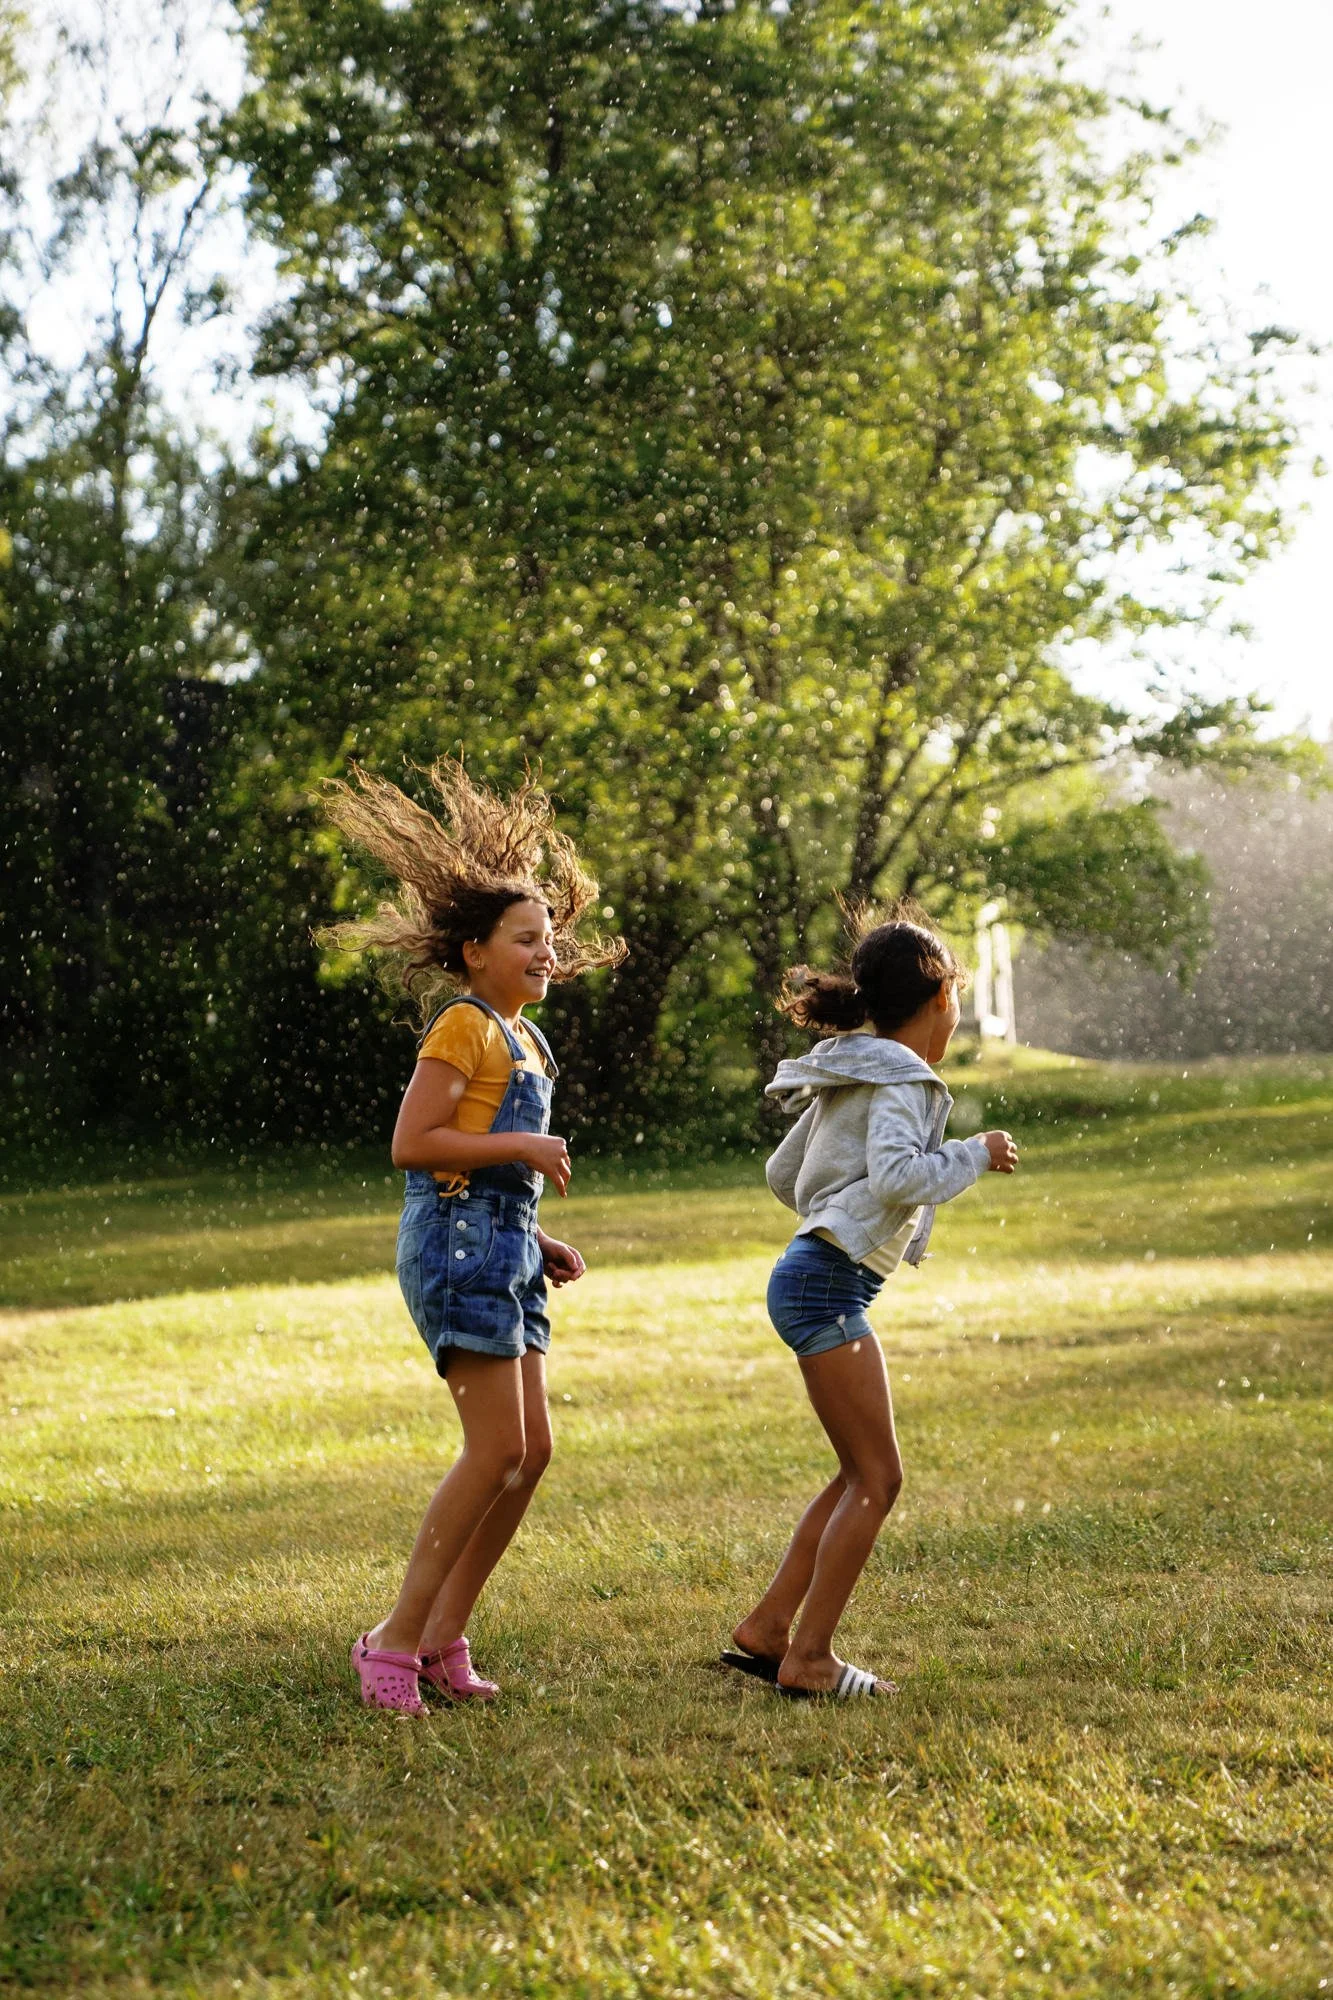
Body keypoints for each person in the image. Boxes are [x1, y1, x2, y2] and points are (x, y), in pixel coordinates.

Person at [318, 762, 624, 1713]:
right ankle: (392, 1643)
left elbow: (481, 1171)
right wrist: (525, 1147)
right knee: (492, 1452)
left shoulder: (526, 1039)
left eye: (548, 938)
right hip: (454, 1251)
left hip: (500, 1247)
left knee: (530, 1454)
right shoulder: (463, 1025)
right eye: (524, 939)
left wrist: (537, 1238)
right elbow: (416, 1145)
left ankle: (445, 1635)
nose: (544, 951)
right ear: (474, 950)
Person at [724, 904, 1018, 1700]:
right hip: (824, 1283)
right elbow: (895, 1178)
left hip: (812, 1272)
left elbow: (786, 1175)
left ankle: (766, 1630)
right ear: (939, 1000)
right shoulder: (903, 1078)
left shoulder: (852, 1068)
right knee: (878, 1479)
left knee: (857, 1471)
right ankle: (809, 1658)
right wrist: (972, 1152)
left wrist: (833, 1211)